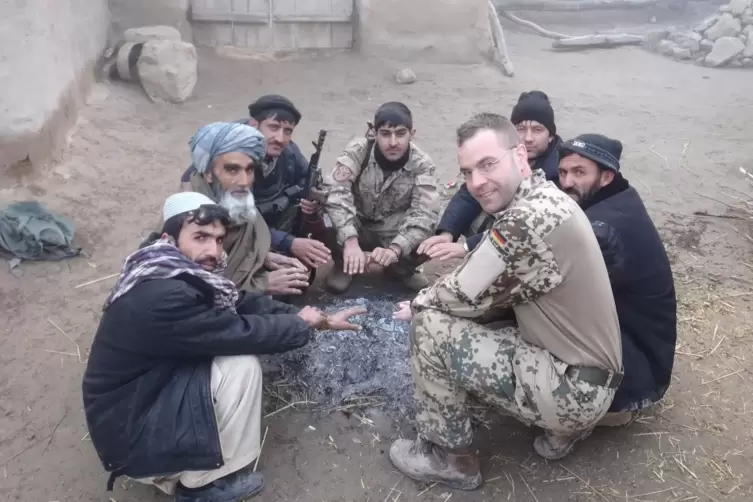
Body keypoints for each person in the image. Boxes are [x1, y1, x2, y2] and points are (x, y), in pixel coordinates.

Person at [389, 113, 622, 491]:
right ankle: (561, 433)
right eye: (467, 172)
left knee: (430, 327)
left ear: (520, 157)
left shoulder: (523, 221)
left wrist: (417, 305)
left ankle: (449, 459)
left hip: (573, 390)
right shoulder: (548, 197)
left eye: (487, 164)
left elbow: (460, 294)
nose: (477, 183)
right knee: (498, 323)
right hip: (596, 377)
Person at [82, 192, 365, 501]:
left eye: (218, 240)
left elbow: (241, 303)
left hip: (144, 398)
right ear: (169, 238)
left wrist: (316, 318)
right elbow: (240, 331)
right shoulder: (164, 295)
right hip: (133, 438)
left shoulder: (168, 268)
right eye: (200, 237)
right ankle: (199, 486)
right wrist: (302, 324)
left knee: (228, 357)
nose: (212, 251)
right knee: (241, 366)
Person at [558, 134, 677, 426]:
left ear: (606, 176)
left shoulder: (604, 229)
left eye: (579, 172)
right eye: (563, 171)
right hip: (644, 348)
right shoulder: (620, 198)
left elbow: (560, 294)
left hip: (639, 368)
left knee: (542, 315)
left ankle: (604, 409)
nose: (566, 182)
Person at [180, 94, 331, 271]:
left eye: (287, 131)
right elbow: (226, 224)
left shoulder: (288, 152)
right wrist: (285, 243)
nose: (280, 138)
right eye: (273, 127)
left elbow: (305, 178)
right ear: (254, 124)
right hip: (230, 233)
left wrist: (311, 204)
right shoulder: (224, 157)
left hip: (263, 221)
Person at [419, 91, 563, 263]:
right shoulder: (504, 152)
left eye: (538, 130)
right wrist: (448, 233)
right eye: (521, 129)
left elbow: (522, 225)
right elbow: (467, 193)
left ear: (551, 135)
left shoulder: (559, 173)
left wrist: (467, 247)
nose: (528, 138)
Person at [176, 121, 314, 297]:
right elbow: (191, 296)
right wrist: (261, 285)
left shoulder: (234, 200)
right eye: (232, 170)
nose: (244, 182)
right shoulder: (187, 218)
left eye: (249, 170)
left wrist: (265, 256)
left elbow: (249, 237)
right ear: (208, 173)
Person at [322, 101, 440, 293]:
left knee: (430, 233)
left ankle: (400, 270)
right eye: (385, 134)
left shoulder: (422, 164)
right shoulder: (358, 150)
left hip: (391, 227)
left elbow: (425, 214)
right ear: (374, 133)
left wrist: (396, 249)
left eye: (401, 134)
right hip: (357, 221)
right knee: (324, 216)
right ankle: (345, 265)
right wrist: (350, 240)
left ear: (412, 133)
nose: (393, 142)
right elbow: (335, 192)